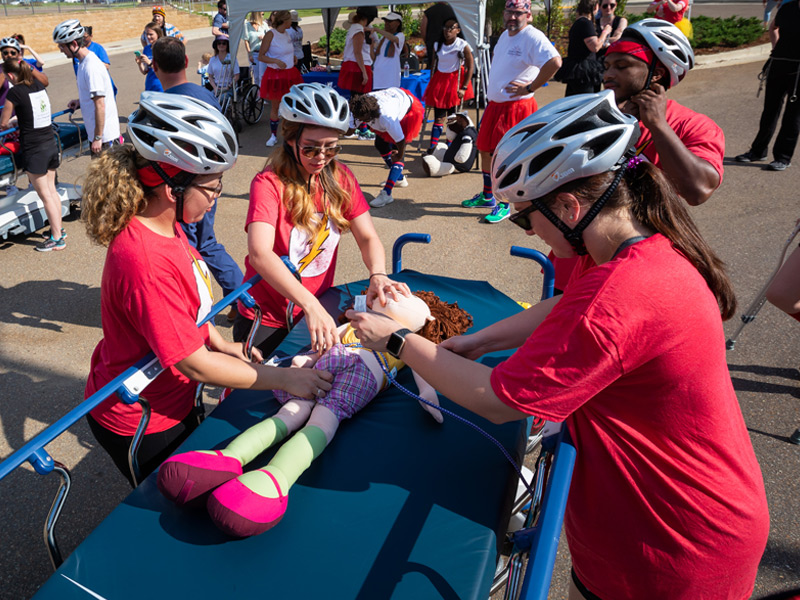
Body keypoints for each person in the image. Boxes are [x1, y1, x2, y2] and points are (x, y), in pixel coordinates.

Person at [347, 91, 770, 600]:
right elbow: (567, 304)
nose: (530, 229)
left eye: (527, 217)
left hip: (673, 541)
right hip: (653, 516)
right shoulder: (633, 247)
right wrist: (481, 340)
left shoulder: (621, 294)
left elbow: (496, 402)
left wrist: (397, 340)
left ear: (570, 206)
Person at [81, 91, 333, 486]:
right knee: (174, 505)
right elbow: (192, 364)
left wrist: (219, 342)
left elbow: (189, 307)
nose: (216, 199)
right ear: (172, 189)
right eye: (212, 188)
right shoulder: (145, 260)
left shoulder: (169, 227)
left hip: (173, 396)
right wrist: (285, 379)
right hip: (143, 419)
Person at [232, 83, 410, 358]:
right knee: (254, 391)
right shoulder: (268, 183)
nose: (322, 158)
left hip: (313, 307)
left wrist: (378, 273)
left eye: (331, 149)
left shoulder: (341, 178)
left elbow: (368, 236)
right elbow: (260, 254)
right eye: (311, 149)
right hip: (266, 314)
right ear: (290, 140)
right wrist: (310, 305)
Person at [547, 19, 724, 293]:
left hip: (636, 266)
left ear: (657, 73)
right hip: (572, 261)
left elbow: (698, 190)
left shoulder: (693, 125)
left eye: (622, 66)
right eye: (606, 66)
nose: (608, 74)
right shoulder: (591, 115)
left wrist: (658, 125)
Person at [152, 36, 245, 322]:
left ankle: (197, 313)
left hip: (183, 190)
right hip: (210, 183)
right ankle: (244, 301)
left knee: (188, 249)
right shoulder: (204, 94)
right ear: (187, 62)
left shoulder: (164, 103)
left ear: (154, 67)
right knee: (206, 243)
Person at [461, 0, 561, 224]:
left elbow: (555, 62)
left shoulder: (532, 37)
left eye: (518, 13)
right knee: (486, 150)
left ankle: (505, 204)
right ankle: (488, 196)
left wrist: (530, 87)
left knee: (507, 157)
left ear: (529, 16)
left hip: (516, 107)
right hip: (496, 105)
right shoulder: (506, 35)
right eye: (509, 12)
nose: (512, 17)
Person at [0, 59, 64, 252]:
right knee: (52, 192)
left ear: (10, 76)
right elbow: (33, 111)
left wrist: (10, 121)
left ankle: (57, 239)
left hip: (35, 149)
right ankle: (58, 229)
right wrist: (17, 119)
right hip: (50, 144)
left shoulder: (14, 92)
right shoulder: (37, 85)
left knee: (46, 196)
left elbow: (3, 123)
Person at [734, 0, 799, 172]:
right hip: (778, 65)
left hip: (799, 71)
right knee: (769, 111)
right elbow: (774, 28)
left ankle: (783, 157)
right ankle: (758, 151)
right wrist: (775, 48)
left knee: (792, 116)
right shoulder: (787, 7)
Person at [349, 87, 424, 208]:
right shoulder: (360, 105)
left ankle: (387, 193)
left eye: (363, 120)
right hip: (395, 98)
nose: (360, 122)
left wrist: (399, 155)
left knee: (398, 155)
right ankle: (399, 178)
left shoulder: (387, 118)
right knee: (380, 145)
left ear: (370, 116)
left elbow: (400, 141)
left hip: (407, 113)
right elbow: (349, 130)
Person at [55, 20, 120, 156]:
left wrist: (97, 138)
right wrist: (80, 102)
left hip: (104, 137)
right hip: (99, 134)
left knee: (108, 177)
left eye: (62, 46)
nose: (60, 50)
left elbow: (100, 105)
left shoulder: (91, 66)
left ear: (73, 44)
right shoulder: (83, 63)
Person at [422, 18, 474, 152]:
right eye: (446, 27)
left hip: (454, 82)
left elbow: (470, 66)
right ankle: (433, 147)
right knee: (439, 117)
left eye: (452, 28)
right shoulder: (437, 45)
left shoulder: (462, 45)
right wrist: (432, 85)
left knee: (453, 118)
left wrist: (464, 87)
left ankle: (450, 146)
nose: (448, 31)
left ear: (458, 30)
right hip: (440, 81)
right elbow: (433, 64)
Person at [259, 10, 303, 148]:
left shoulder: (287, 33)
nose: (293, 22)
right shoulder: (271, 34)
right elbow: (261, 56)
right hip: (276, 75)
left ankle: (290, 133)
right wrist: (276, 61)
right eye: (290, 19)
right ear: (284, 21)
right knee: (276, 105)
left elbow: (288, 51)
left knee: (292, 104)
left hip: (290, 73)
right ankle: (273, 135)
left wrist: (293, 57)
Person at [555, 0, 608, 96]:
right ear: (595, 7)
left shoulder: (580, 22)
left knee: (574, 100)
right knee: (585, 102)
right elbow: (594, 47)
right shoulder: (585, 22)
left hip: (578, 70)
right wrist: (605, 32)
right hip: (583, 72)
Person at [338, 7, 377, 101]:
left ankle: (356, 115)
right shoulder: (358, 30)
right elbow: (357, 52)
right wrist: (364, 72)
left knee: (357, 98)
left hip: (358, 65)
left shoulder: (357, 28)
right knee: (360, 99)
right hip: (358, 66)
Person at [71, 26, 117, 98]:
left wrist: (91, 65)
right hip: (87, 88)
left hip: (101, 87)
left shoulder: (98, 48)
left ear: (91, 36)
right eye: (81, 37)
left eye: (85, 37)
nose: (83, 39)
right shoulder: (77, 52)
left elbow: (106, 66)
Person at [370, 11, 404, 91]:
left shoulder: (400, 36)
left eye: (390, 21)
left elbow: (394, 39)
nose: (387, 23)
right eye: (386, 21)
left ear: (398, 23)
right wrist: (371, 45)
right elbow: (374, 57)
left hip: (390, 78)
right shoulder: (383, 38)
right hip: (378, 78)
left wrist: (377, 30)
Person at [420, 1, 456, 70]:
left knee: (433, 67)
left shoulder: (429, 12)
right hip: (448, 44)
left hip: (432, 43)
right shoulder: (451, 11)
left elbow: (423, 29)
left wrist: (427, 41)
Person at [207, 35, 239, 100]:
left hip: (228, 88)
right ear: (216, 45)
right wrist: (215, 88)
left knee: (219, 100)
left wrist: (228, 86)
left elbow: (237, 76)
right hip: (217, 87)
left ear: (227, 45)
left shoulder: (232, 58)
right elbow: (210, 76)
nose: (221, 45)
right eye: (219, 43)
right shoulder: (212, 59)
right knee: (207, 99)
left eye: (224, 43)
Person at [136, 22, 164, 93]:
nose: (148, 37)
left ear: (158, 34)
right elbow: (145, 71)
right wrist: (139, 63)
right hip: (149, 84)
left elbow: (163, 69)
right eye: (146, 34)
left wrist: (149, 62)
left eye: (151, 34)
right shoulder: (147, 49)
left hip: (161, 85)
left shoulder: (163, 48)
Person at [243, 11, 269, 87]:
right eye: (262, 14)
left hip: (263, 53)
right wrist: (249, 54)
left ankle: (262, 94)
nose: (263, 16)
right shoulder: (247, 25)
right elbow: (246, 40)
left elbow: (270, 36)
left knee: (262, 75)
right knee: (256, 76)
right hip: (254, 53)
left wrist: (264, 37)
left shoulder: (264, 25)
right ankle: (257, 93)